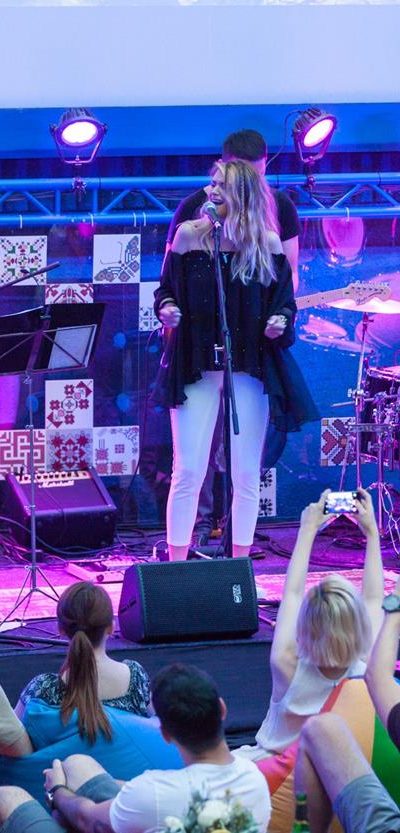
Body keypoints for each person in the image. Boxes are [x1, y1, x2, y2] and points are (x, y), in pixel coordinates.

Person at [154, 159, 317, 561]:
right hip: (195, 365)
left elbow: (285, 302)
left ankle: (240, 564)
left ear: (242, 195)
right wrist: (167, 309)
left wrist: (280, 321)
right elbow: (164, 290)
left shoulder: (268, 244)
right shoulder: (188, 236)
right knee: (187, 470)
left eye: (221, 186)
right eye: (211, 183)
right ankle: (177, 567)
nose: (211, 191)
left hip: (248, 365)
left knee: (246, 473)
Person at [0, 664, 272, 833]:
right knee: (78, 764)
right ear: (222, 709)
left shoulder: (154, 792)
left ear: (165, 733)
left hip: (108, 814)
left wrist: (57, 791)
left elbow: (87, 820)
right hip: (151, 808)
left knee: (9, 797)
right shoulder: (255, 778)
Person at [235, 487, 383, 759]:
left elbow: (292, 593)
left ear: (304, 625)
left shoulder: (286, 662)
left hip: (275, 771)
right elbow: (374, 598)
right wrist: (372, 532)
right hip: (337, 772)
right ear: (359, 627)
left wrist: (307, 529)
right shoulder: (366, 663)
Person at [293, 572, 400, 832]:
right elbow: (372, 598)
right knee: (322, 728)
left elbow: (377, 676)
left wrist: (396, 604)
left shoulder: (286, 666)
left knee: (320, 728)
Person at [0, 581, 151, 757]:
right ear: (112, 627)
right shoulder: (136, 677)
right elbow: (159, 733)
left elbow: (14, 744)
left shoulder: (41, 688)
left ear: (60, 629)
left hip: (59, 774)